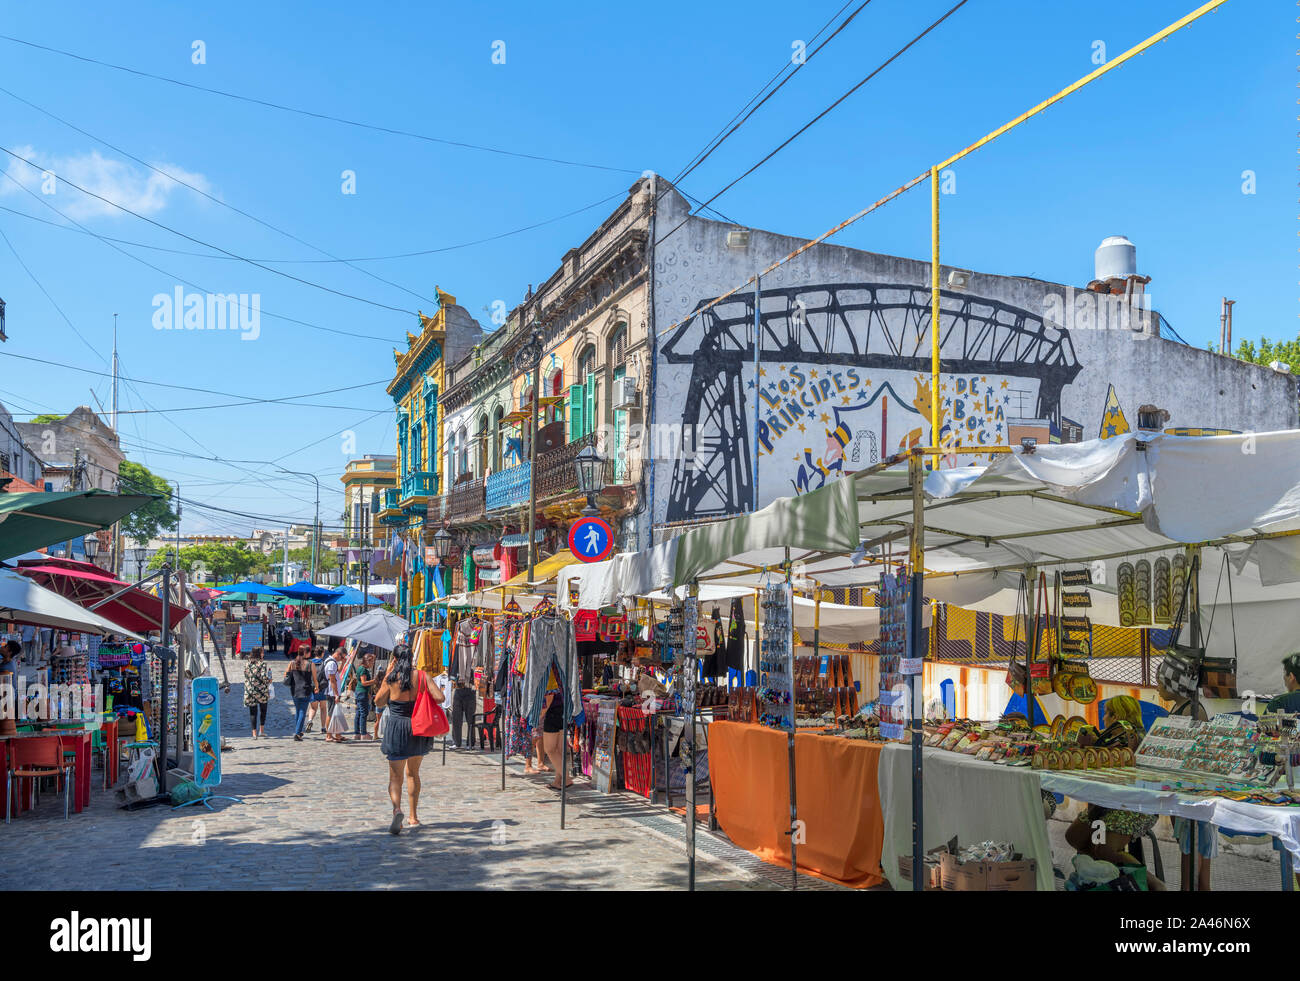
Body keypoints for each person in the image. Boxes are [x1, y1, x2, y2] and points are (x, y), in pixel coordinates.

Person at [1065, 695, 1165, 888]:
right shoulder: (1110, 736)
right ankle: (1102, 878)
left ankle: (1154, 885)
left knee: (1105, 849)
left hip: (1136, 805)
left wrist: (1096, 745)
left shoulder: (1133, 737)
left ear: (1116, 715)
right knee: (1074, 836)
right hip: (1106, 803)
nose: (1104, 718)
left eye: (1107, 714)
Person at [374, 645, 441, 834]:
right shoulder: (421, 676)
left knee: (395, 776)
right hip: (417, 727)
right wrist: (422, 694)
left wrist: (387, 675)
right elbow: (440, 697)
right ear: (412, 657)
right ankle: (413, 816)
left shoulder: (391, 678)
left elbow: (378, 702)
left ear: (394, 659)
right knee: (413, 773)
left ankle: (397, 810)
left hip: (396, 727)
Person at [539, 667, 572, 790]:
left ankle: (566, 777)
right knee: (559, 750)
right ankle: (558, 781)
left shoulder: (550, 670)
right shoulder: (561, 667)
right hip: (562, 710)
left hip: (553, 712)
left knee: (550, 749)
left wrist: (540, 715)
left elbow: (549, 696)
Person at [284, 648, 316, 740]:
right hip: (305, 690)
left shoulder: (292, 663)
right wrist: (317, 687)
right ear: (306, 653)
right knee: (302, 711)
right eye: (309, 651)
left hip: (294, 690)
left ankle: (298, 730)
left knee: (298, 711)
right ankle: (297, 733)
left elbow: (286, 674)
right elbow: (314, 678)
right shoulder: (310, 664)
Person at [243, 647, 272, 737]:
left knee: (253, 712)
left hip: (250, 690)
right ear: (259, 654)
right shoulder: (262, 664)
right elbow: (263, 676)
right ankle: (261, 731)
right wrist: (269, 680)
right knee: (263, 710)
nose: (263, 654)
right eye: (262, 653)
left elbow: (246, 675)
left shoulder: (247, 664)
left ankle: (254, 733)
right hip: (261, 691)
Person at [320, 647, 345, 742]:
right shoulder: (331, 663)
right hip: (331, 692)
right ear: (338, 654)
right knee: (331, 713)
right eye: (342, 658)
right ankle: (329, 735)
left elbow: (337, 672)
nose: (342, 659)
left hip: (333, 691)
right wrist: (336, 694)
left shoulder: (332, 662)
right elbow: (332, 679)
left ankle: (337, 734)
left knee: (336, 714)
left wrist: (343, 663)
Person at [353, 651, 378, 741]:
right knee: (363, 713)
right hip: (361, 692)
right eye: (372, 662)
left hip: (361, 692)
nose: (372, 664)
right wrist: (374, 681)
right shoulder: (363, 669)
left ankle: (357, 733)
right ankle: (363, 733)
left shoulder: (360, 668)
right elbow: (363, 682)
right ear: (367, 661)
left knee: (359, 713)